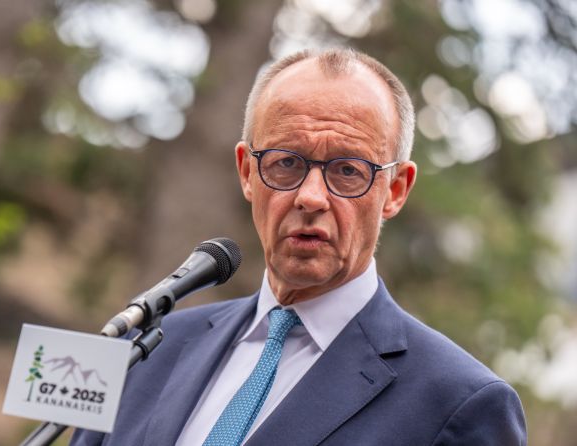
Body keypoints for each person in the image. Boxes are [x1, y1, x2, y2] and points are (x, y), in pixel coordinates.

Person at [70, 48, 526, 445]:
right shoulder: (146, 349)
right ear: (247, 173)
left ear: (395, 190)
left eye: (348, 170)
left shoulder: (459, 404)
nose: (311, 197)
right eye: (286, 162)